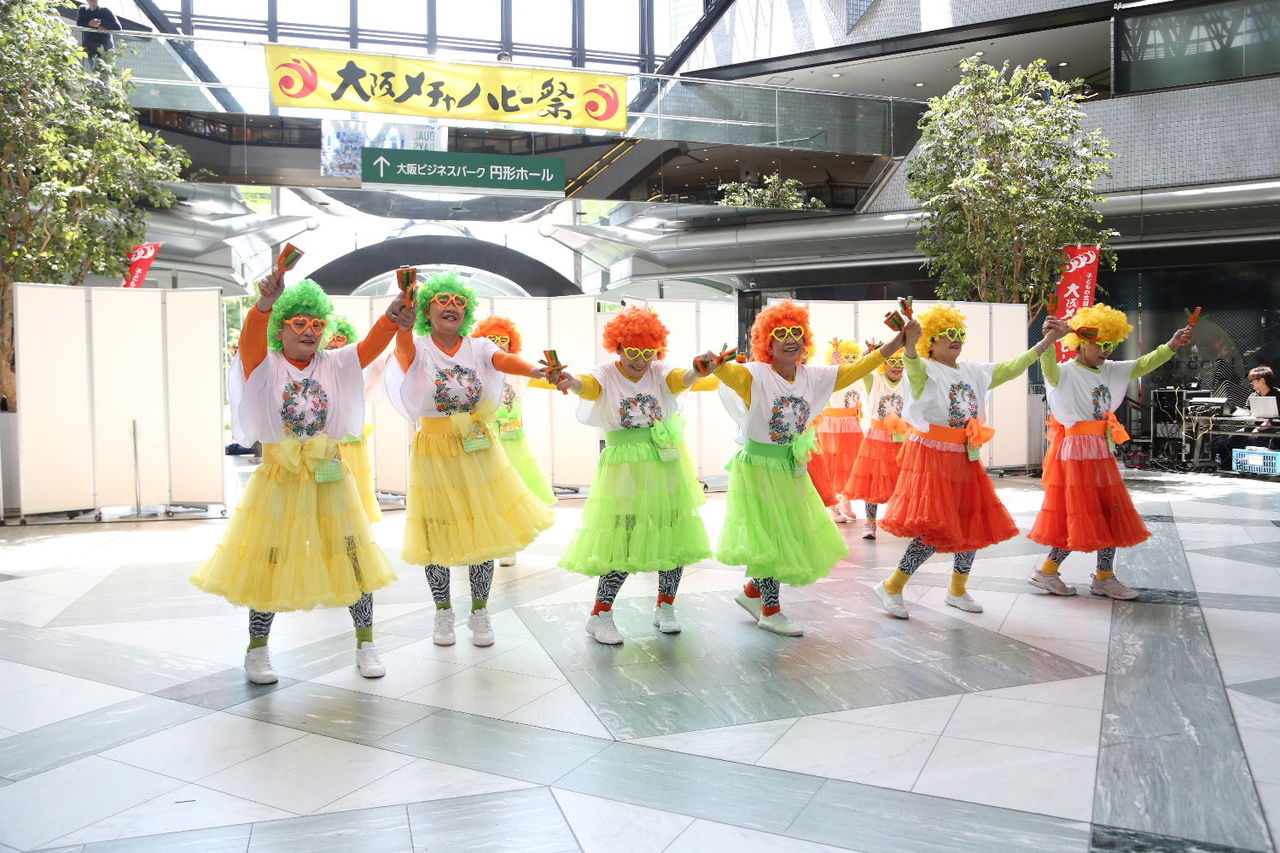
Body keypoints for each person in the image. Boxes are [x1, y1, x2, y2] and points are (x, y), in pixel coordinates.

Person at [190, 274, 410, 684]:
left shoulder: (335, 363)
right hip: (281, 476)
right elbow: (250, 338)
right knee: (270, 559)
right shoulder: (264, 363)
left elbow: (371, 346)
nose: (310, 331)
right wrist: (263, 305)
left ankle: (366, 644)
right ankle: (257, 650)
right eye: (300, 323)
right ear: (281, 328)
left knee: (352, 556)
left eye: (317, 324)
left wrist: (392, 316)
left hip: (330, 475)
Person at [710, 300, 909, 636]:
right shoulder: (755, 375)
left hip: (790, 466)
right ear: (767, 342)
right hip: (759, 467)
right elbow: (726, 373)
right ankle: (770, 611)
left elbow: (857, 369)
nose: (790, 339)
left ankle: (752, 593)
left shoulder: (812, 376)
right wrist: (711, 364)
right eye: (780, 334)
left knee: (786, 532)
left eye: (796, 333)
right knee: (772, 536)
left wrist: (896, 343)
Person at [386, 271, 554, 648]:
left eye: (459, 302)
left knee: (483, 530)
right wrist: (402, 327)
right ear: (428, 309)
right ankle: (443, 612)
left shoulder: (478, 347)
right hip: (433, 449)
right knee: (436, 532)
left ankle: (480, 611)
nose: (452, 307)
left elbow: (503, 359)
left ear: (467, 310)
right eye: (443, 300)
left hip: (477, 446)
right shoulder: (418, 346)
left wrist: (534, 370)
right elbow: (403, 353)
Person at [873, 306, 1069, 620]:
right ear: (930, 341)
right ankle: (892, 586)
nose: (956, 339)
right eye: (948, 334)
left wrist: (1046, 342)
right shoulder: (924, 368)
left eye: (959, 334)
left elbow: (1012, 368)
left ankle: (957, 589)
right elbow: (912, 366)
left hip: (964, 454)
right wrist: (908, 344)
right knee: (934, 527)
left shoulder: (973, 370)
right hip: (933, 455)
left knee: (970, 523)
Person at [552, 307, 711, 645]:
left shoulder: (660, 370)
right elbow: (587, 386)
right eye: (633, 351)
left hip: (664, 461)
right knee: (623, 537)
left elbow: (681, 379)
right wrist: (571, 382)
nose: (640, 360)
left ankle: (665, 606)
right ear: (619, 346)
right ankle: (600, 614)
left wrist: (696, 371)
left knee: (672, 531)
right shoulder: (606, 373)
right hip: (623, 465)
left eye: (648, 352)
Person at [1028, 304, 1194, 599]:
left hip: (1100, 450)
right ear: (1082, 341)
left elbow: (1143, 364)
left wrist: (1171, 345)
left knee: (1109, 511)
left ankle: (1096, 576)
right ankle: (1053, 572)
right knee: (1082, 513)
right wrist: (1050, 339)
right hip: (1076, 453)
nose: (1106, 350)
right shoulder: (1064, 373)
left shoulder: (1111, 370)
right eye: (1100, 343)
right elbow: (1047, 365)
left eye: (1110, 344)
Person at [470, 316, 556, 567]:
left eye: (503, 340)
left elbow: (549, 381)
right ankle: (478, 545)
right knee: (482, 494)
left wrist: (560, 376)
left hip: (512, 442)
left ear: (511, 344)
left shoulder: (519, 372)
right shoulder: (473, 371)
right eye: (492, 340)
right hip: (482, 440)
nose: (498, 344)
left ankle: (510, 545)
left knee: (512, 494)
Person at [844, 343, 908, 540]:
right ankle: (870, 523)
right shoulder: (875, 380)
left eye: (900, 362)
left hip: (901, 439)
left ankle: (901, 518)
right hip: (876, 439)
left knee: (904, 480)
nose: (897, 366)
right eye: (892, 362)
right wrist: (868, 356)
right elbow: (864, 370)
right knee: (872, 481)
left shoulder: (909, 382)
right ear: (884, 364)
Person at [324, 313, 382, 524]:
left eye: (340, 338)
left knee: (354, 488)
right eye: (330, 337)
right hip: (324, 439)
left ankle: (354, 532)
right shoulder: (315, 366)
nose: (334, 342)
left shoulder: (356, 365)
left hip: (350, 437)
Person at [814, 338, 865, 524]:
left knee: (850, 464)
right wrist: (832, 365)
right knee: (830, 463)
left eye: (853, 357)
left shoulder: (859, 378)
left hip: (851, 424)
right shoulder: (833, 375)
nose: (849, 360)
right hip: (831, 425)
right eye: (845, 356)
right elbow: (820, 381)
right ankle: (832, 504)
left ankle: (846, 499)